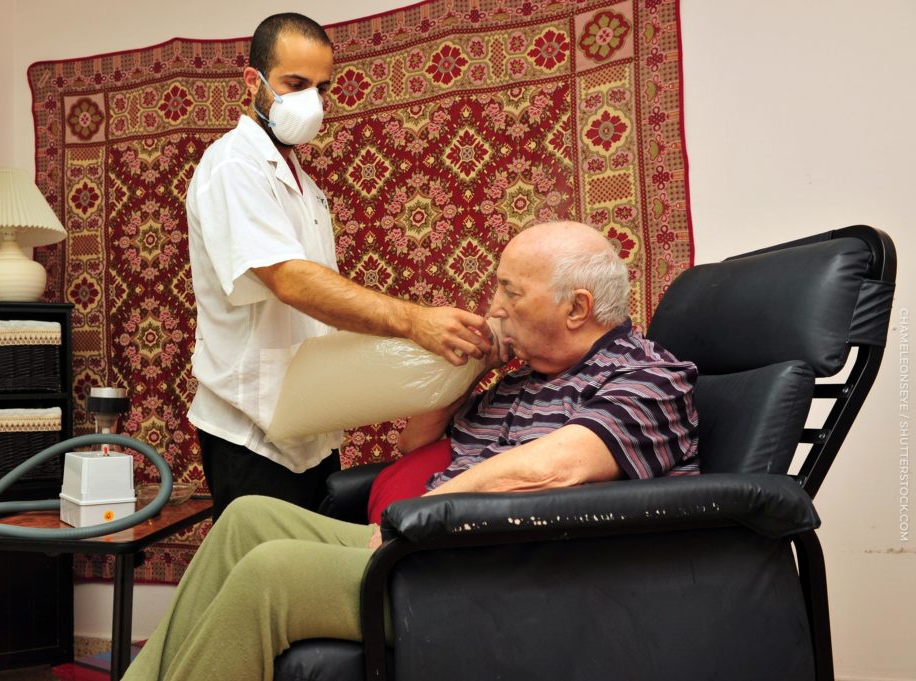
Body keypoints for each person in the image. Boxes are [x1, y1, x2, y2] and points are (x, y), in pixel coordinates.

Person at [123, 221, 699, 681]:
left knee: (271, 572)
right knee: (247, 520)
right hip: (437, 549)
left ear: (575, 309)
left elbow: (557, 466)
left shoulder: (647, 380)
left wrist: (415, 520)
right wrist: (466, 368)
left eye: (510, 291)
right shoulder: (524, 378)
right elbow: (413, 445)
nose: (492, 305)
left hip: (510, 577)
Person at [186, 13, 492, 520]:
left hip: (310, 424)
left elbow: (321, 306)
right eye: (295, 84)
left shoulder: (307, 187)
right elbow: (290, 279)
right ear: (252, 82)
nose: (312, 102)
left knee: (311, 581)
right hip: (251, 430)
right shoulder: (233, 167)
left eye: (322, 88)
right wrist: (415, 322)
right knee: (269, 584)